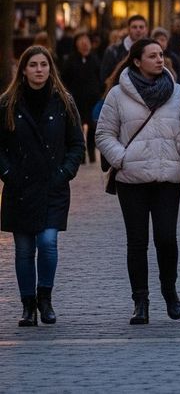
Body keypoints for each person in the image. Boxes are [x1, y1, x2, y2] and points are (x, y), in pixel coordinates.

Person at [96, 38, 180, 324]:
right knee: (137, 242)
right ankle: (140, 300)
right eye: (152, 55)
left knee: (166, 239)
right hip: (131, 179)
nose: (160, 59)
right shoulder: (117, 95)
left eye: (161, 54)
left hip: (166, 177)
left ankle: (169, 290)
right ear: (137, 60)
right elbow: (103, 134)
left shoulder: (177, 93)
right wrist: (122, 157)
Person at [0, 47, 86, 326]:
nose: (39, 70)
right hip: (20, 187)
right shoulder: (8, 103)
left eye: (44, 65)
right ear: (23, 70)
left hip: (53, 185)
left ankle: (45, 298)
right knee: (24, 249)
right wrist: (9, 173)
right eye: (33, 65)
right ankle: (27, 305)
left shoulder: (63, 101)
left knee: (48, 243)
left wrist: (65, 172)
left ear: (51, 69)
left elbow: (76, 144)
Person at [61, 32, 103, 164]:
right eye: (81, 41)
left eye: (87, 42)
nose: (84, 44)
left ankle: (91, 152)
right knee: (77, 127)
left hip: (92, 99)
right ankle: (81, 155)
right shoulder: (70, 60)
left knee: (92, 126)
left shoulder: (95, 59)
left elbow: (99, 77)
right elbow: (65, 79)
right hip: (76, 99)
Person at [100, 15, 148, 88]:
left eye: (141, 27)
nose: (138, 30)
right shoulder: (113, 50)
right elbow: (105, 77)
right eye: (134, 27)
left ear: (146, 30)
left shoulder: (152, 49)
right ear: (128, 29)